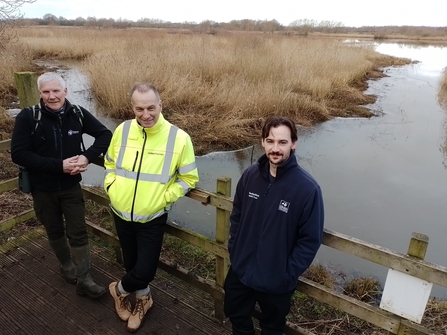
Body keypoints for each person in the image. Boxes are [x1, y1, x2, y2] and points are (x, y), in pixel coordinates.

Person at [104, 82, 199, 333]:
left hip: (152, 216)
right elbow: (109, 163)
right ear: (132, 108)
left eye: (150, 108)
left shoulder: (179, 138)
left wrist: (165, 198)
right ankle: (143, 300)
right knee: (131, 262)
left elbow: (189, 178)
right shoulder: (122, 131)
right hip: (121, 212)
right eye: (139, 109)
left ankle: (118, 290)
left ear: (161, 105)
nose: (145, 115)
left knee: (145, 268)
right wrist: (111, 187)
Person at [11, 72, 112, 299]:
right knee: (54, 229)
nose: (52, 96)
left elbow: (105, 134)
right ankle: (67, 266)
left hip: (70, 188)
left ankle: (85, 280)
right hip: (42, 188)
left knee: (78, 231)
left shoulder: (77, 114)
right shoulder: (29, 117)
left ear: (66, 91)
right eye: (46, 92)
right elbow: (19, 153)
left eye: (56, 91)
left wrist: (86, 157)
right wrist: (59, 166)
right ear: (40, 93)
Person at [224, 116, 324, 335]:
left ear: (294, 143)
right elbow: (237, 215)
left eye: (282, 142)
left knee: (272, 328)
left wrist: (287, 273)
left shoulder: (307, 189)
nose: (275, 148)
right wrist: (235, 249)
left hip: (276, 279)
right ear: (262, 142)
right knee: (235, 313)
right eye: (270, 141)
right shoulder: (250, 175)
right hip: (241, 270)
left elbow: (310, 240)